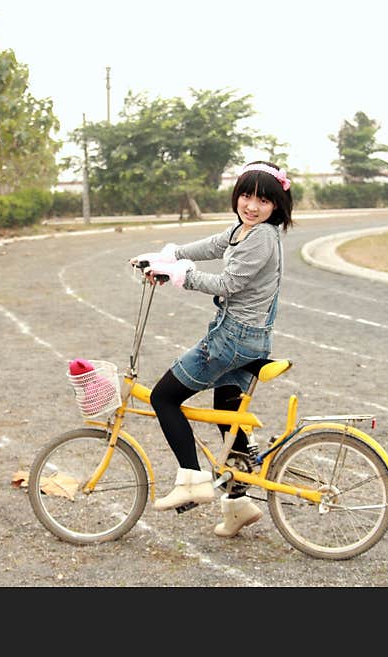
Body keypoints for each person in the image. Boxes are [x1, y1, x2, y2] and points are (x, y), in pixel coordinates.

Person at [130, 161, 293, 538]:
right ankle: (238, 504)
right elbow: (213, 245)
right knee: (226, 414)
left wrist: (179, 275)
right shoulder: (245, 230)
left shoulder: (263, 238)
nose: (252, 205)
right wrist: (169, 255)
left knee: (164, 397)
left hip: (232, 339)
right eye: (246, 195)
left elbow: (229, 282)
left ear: (277, 205)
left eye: (264, 200)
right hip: (248, 338)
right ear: (237, 196)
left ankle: (190, 478)